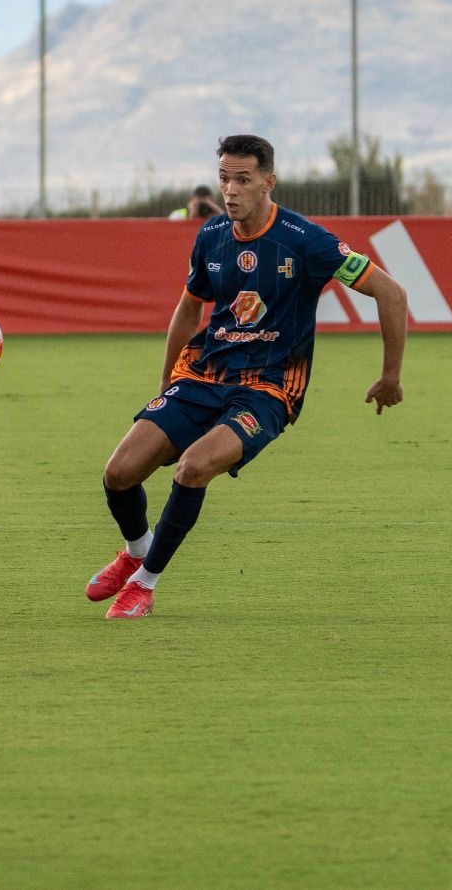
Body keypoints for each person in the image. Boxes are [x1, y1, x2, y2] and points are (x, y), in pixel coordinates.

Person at [87, 134, 407, 619]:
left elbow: (392, 293)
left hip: (269, 390)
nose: (230, 190)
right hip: (202, 377)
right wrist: (167, 386)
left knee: (193, 468)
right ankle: (136, 549)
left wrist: (390, 377)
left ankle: (144, 584)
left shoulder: (306, 241)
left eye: (242, 180)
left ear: (268, 183)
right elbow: (189, 309)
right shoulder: (211, 236)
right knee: (118, 474)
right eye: (224, 179)